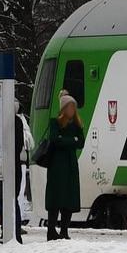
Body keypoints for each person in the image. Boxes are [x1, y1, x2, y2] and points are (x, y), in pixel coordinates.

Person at [43, 94, 84, 241]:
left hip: (71, 164)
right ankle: (51, 230)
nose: (72, 109)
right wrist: (71, 140)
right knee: (56, 197)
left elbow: (81, 142)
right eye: (70, 106)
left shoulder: (77, 124)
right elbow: (55, 139)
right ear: (64, 108)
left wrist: (65, 140)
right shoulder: (55, 122)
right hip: (56, 165)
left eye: (74, 106)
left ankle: (64, 230)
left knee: (69, 197)